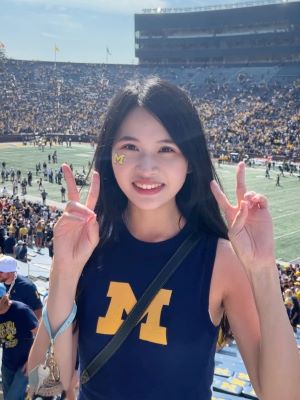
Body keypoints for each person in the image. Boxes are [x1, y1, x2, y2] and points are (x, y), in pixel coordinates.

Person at [28, 78, 300, 399]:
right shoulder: (88, 247)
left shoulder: (220, 259)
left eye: (167, 149)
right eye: (129, 147)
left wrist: (262, 268)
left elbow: (283, 394)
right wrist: (65, 271)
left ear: (189, 162)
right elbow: (42, 384)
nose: (147, 167)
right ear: (109, 155)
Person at [0, 283, 38, 400]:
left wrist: (32, 360)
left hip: (25, 362)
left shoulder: (21, 310)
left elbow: (40, 335)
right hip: (7, 363)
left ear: (4, 298)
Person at [0, 255, 43, 320]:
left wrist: (26, 328)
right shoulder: (2, 282)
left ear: (11, 272)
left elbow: (38, 311)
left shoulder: (27, 287)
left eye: (1, 272)